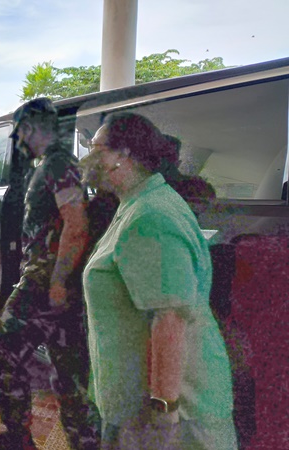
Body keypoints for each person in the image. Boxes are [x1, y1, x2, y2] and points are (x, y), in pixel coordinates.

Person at [81, 113, 236, 450]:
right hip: (140, 408)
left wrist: (164, 412)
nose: (87, 159)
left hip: (173, 418)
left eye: (95, 149)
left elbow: (169, 320)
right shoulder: (137, 203)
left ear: (123, 155)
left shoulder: (150, 216)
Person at [0, 98, 100, 450]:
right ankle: (84, 443)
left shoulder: (59, 164)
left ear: (30, 129)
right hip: (53, 281)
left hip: (46, 281)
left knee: (7, 346)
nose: (18, 141)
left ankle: (17, 437)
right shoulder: (53, 164)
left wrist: (59, 281)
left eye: (18, 133)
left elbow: (76, 224)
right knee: (69, 374)